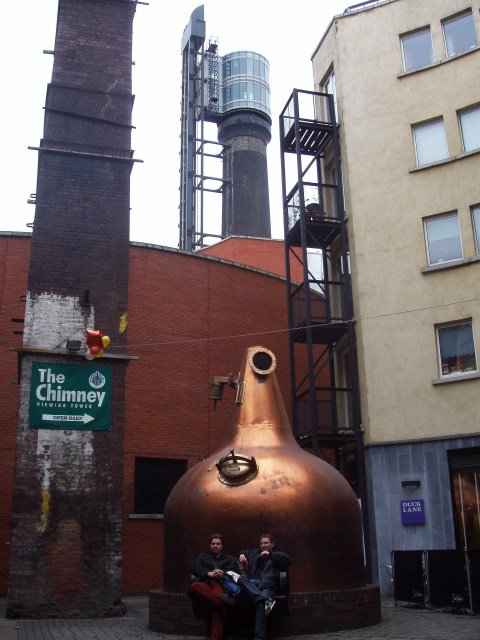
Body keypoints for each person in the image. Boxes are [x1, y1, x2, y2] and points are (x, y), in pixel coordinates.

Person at [228, 533, 291, 640]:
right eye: (261, 543)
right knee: (242, 578)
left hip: (268, 587)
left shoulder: (278, 555)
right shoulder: (255, 553)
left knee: (263, 603)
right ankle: (260, 597)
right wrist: (242, 555)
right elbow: (244, 552)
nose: (263, 545)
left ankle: (259, 637)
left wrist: (270, 555)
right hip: (253, 584)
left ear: (272, 544)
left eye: (266, 543)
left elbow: (288, 561)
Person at [189, 533, 239, 640]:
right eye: (213, 544)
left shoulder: (229, 559)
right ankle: (221, 601)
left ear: (222, 545)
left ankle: (215, 638)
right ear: (209, 545)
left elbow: (236, 572)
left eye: (218, 544)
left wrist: (223, 573)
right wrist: (208, 574)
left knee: (216, 606)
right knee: (194, 586)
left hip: (219, 584)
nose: (215, 546)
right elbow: (194, 568)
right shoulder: (202, 557)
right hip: (205, 583)